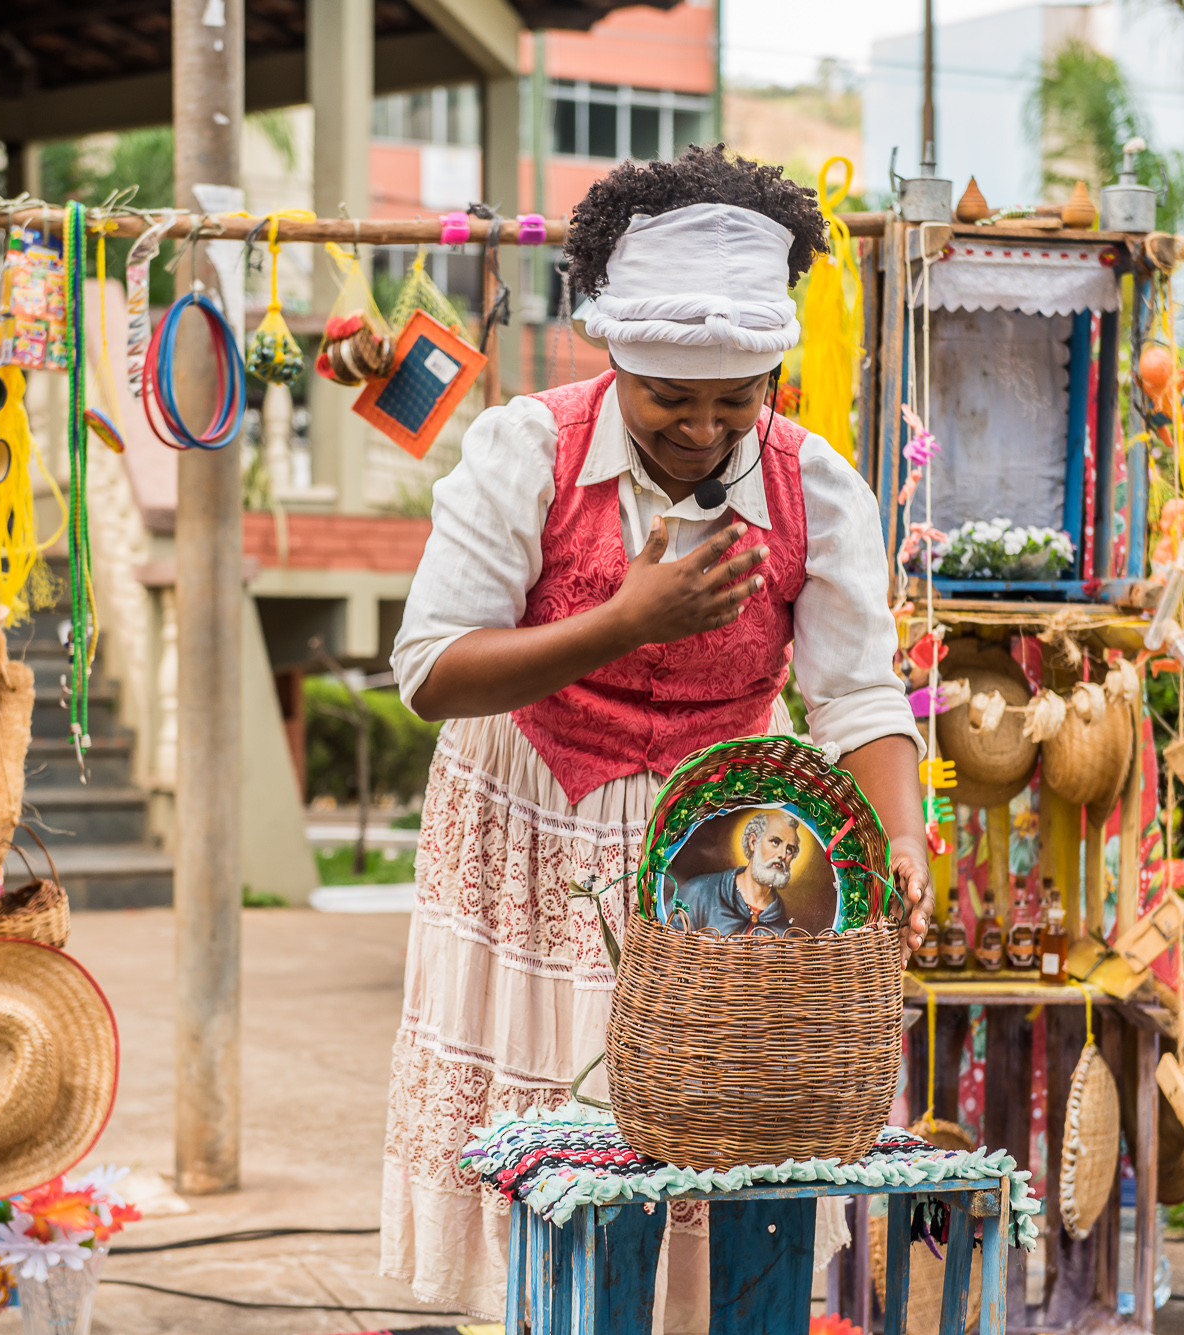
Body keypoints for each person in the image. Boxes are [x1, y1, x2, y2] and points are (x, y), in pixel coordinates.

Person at [381, 145, 933, 1324]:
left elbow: (855, 699)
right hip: (531, 810)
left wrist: (900, 835)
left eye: (736, 401)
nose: (700, 429)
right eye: (668, 399)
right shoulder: (522, 450)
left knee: (710, 1129)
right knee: (559, 1154)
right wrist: (622, 621)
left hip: (717, 848)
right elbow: (429, 674)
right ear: (612, 357)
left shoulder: (813, 484)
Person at [668, 808, 803, 936]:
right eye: (775, 842)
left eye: (790, 849)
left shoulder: (785, 930)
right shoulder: (700, 892)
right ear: (753, 842)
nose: (782, 854)